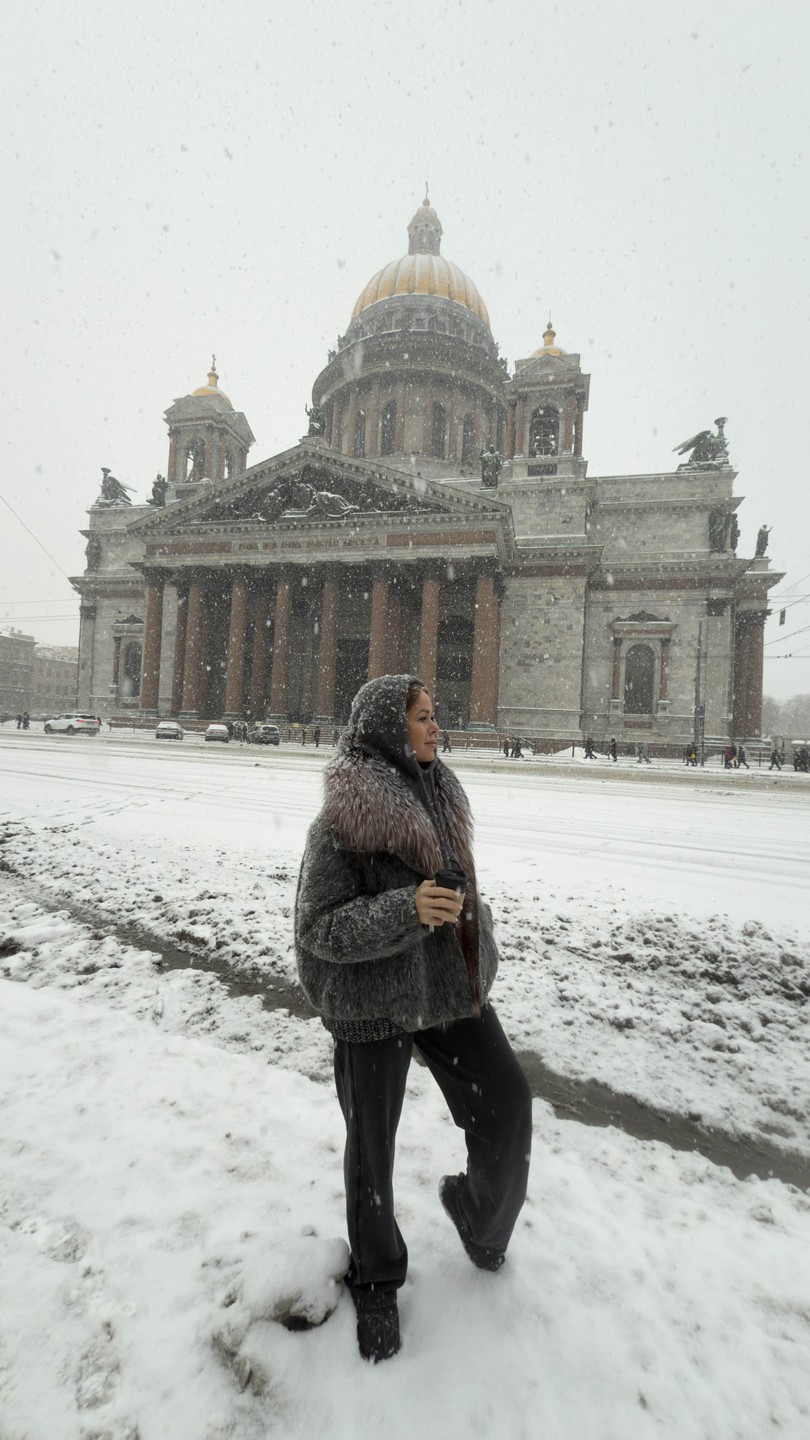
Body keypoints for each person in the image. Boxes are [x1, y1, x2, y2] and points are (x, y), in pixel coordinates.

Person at [295, 675, 532, 1364]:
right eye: (423, 718)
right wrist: (407, 911)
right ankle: (377, 1279)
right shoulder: (340, 823)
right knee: (373, 1149)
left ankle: (481, 1222)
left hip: (448, 992)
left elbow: (467, 893)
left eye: (434, 716)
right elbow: (317, 927)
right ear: (386, 732)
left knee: (510, 1103)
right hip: (373, 1001)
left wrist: (477, 950)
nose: (436, 727)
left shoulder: (444, 795)